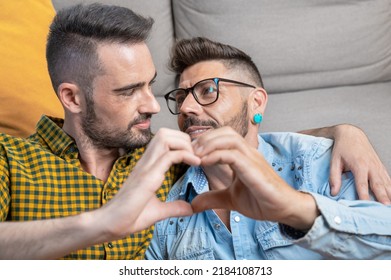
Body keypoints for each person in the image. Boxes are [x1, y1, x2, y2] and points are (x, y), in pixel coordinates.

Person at [0, 3, 389, 260]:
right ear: (72, 98)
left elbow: (245, 141)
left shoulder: (168, 158)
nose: (156, 106)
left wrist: (343, 131)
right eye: (129, 91)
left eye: (151, 85)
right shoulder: (10, 158)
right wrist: (101, 224)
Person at [145, 37, 391, 260]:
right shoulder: (169, 210)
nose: (186, 107)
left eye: (208, 90)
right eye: (180, 98)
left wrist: (295, 208)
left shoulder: (319, 163)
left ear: (256, 103)